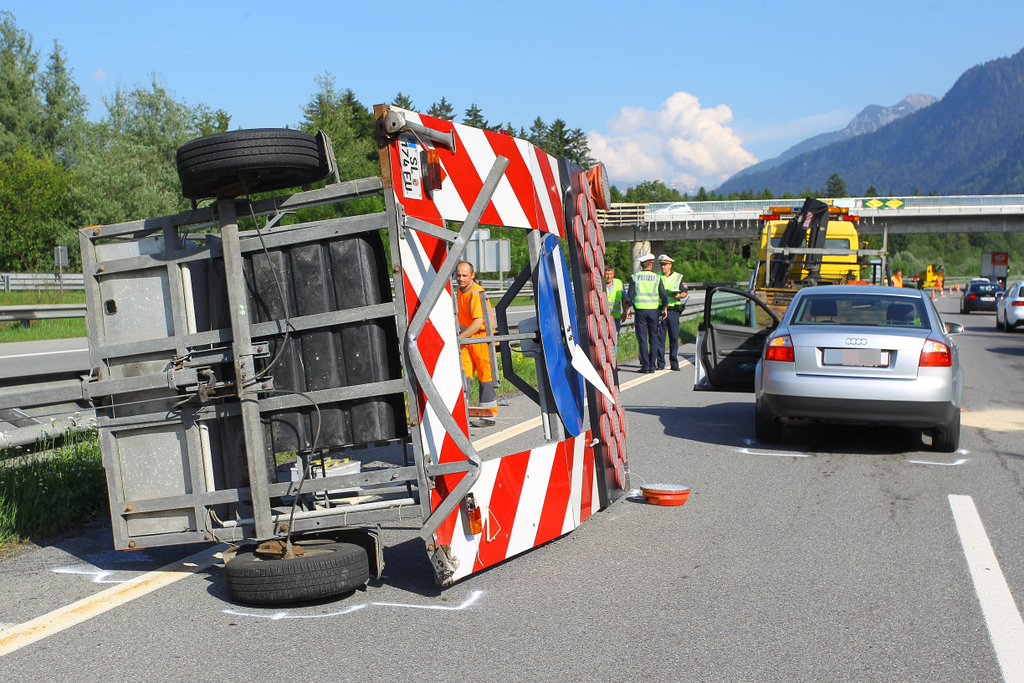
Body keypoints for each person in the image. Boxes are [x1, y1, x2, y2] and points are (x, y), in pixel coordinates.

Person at [455, 261, 497, 427]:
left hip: (481, 339)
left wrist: (459, 338)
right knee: (463, 375)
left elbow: (478, 322)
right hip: (467, 339)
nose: (461, 278)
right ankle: (460, 414)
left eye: (464, 275)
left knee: (485, 377)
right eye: (458, 275)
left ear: (472, 275)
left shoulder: (476, 293)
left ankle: (489, 417)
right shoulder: (459, 291)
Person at [622, 254, 668, 374]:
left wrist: (628, 309)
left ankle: (645, 366)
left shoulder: (635, 277)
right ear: (651, 264)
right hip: (653, 311)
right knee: (653, 338)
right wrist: (665, 308)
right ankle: (652, 366)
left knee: (642, 339)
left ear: (641, 265)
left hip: (640, 312)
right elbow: (663, 295)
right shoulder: (657, 278)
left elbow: (630, 295)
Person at [657, 254, 688, 371]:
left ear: (670, 265)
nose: (663, 267)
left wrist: (679, 295)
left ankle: (674, 363)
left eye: (665, 264)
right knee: (660, 338)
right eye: (661, 265)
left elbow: (685, 292)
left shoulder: (678, 277)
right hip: (660, 310)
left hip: (673, 311)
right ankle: (660, 363)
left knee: (674, 338)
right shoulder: (657, 276)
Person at [605, 265, 624, 338]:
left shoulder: (619, 283)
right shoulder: (600, 284)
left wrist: (625, 311)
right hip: (603, 318)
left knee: (615, 338)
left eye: (610, 274)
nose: (609, 276)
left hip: (615, 317)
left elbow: (624, 297)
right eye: (607, 274)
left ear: (613, 274)